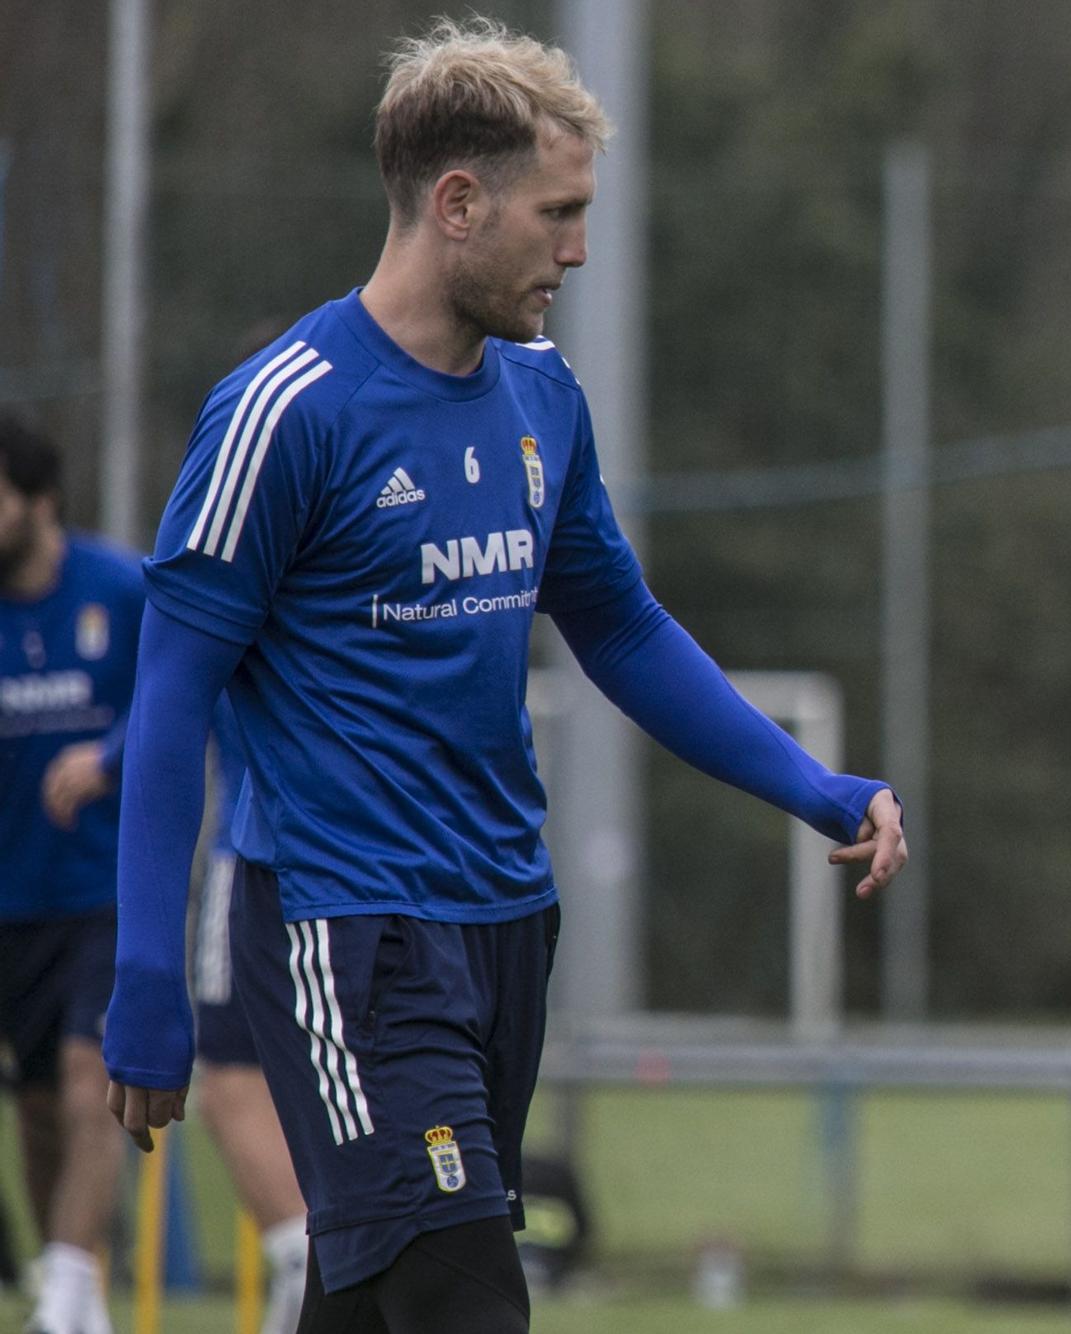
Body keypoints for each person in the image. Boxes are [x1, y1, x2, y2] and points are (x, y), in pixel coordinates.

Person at [102, 17, 906, 1334]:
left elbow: (623, 629)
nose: (578, 250)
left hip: (506, 924)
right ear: (459, 202)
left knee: (374, 1300)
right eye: (560, 213)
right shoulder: (284, 410)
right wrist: (144, 977)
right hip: (348, 932)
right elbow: (171, 699)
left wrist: (814, 785)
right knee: (464, 1288)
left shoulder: (541, 397)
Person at [0, 415, 144, 1334]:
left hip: (104, 893)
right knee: (42, 1107)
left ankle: (64, 1288)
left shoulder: (120, 591)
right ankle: (72, 1288)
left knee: (91, 1072)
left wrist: (109, 757)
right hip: (13, 903)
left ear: (39, 499)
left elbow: (185, 698)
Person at [189, 698, 308, 1334]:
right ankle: (320, 1254)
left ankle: (305, 1256)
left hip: (257, 851)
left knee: (232, 1083)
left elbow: (168, 703)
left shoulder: (229, 594)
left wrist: (104, 758)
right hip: (391, 857)